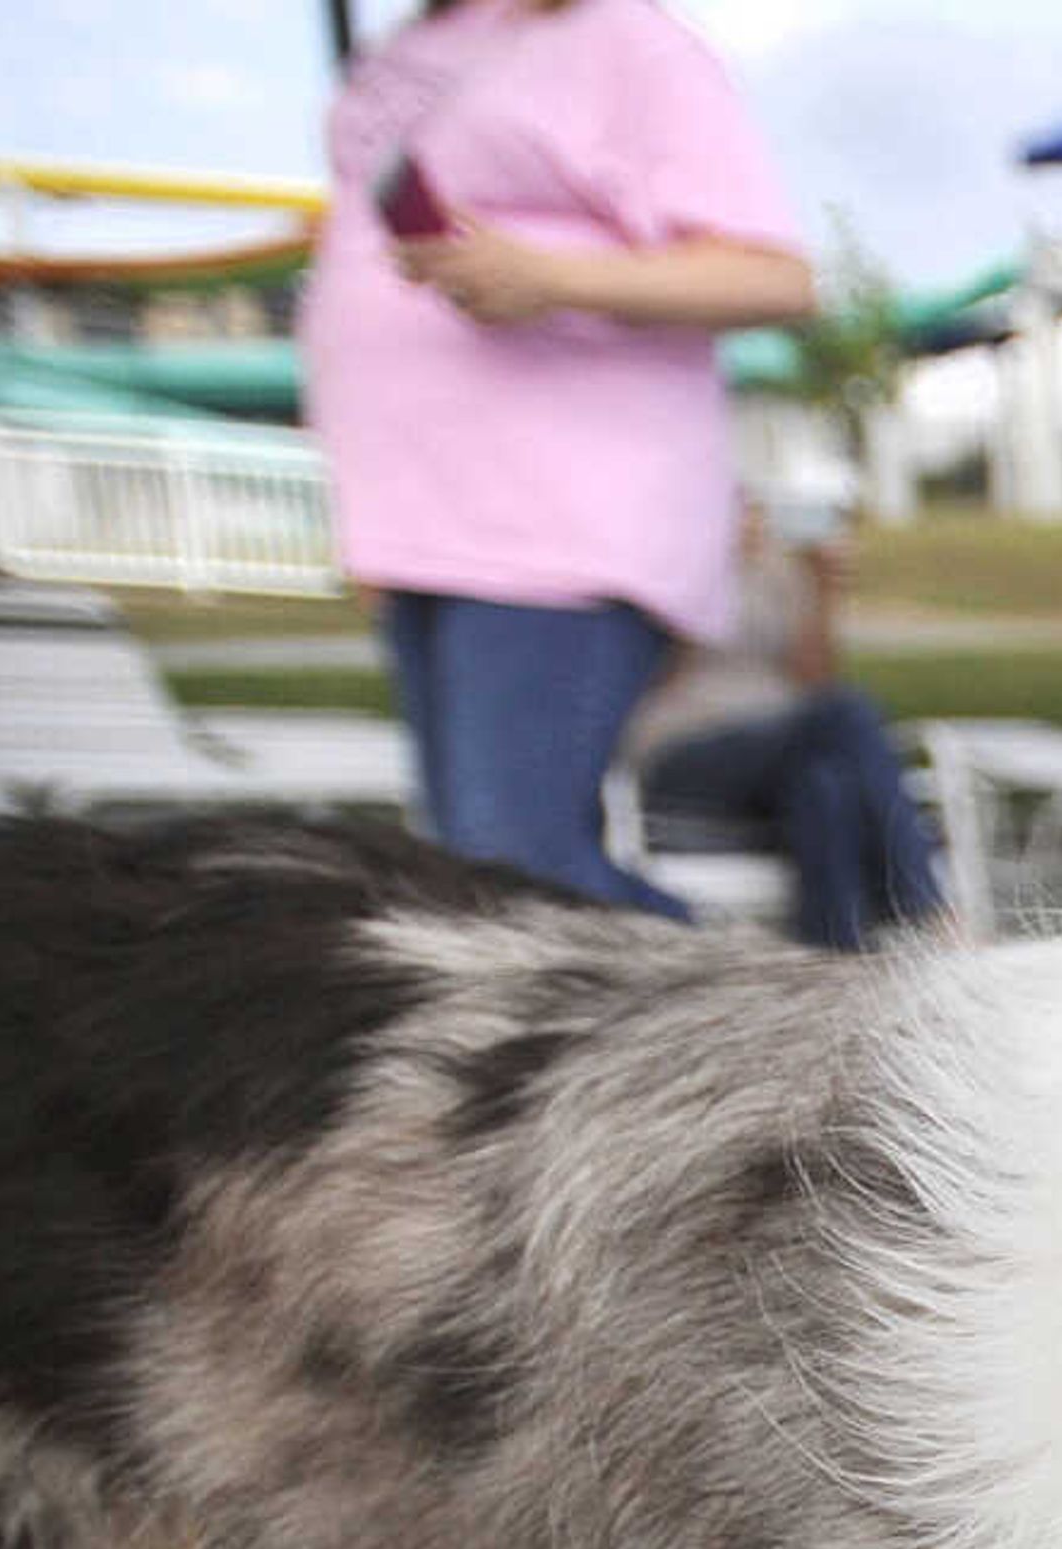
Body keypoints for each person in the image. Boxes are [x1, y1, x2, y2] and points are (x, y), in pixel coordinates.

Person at [300, 0, 816, 914]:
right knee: (474, 873)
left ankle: (736, 1024)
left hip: (555, 519)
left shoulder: (625, 39)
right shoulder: (411, 45)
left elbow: (773, 274)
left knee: (516, 871)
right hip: (426, 523)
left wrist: (552, 278)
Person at [622, 494, 951, 950]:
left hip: (781, 745)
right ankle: (927, 907)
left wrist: (822, 593)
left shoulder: (780, 574)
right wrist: (704, 579)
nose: (748, 523)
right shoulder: (667, 573)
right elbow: (656, 672)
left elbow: (814, 679)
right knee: (847, 711)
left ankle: (837, 958)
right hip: (685, 747)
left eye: (755, 511)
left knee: (824, 785)